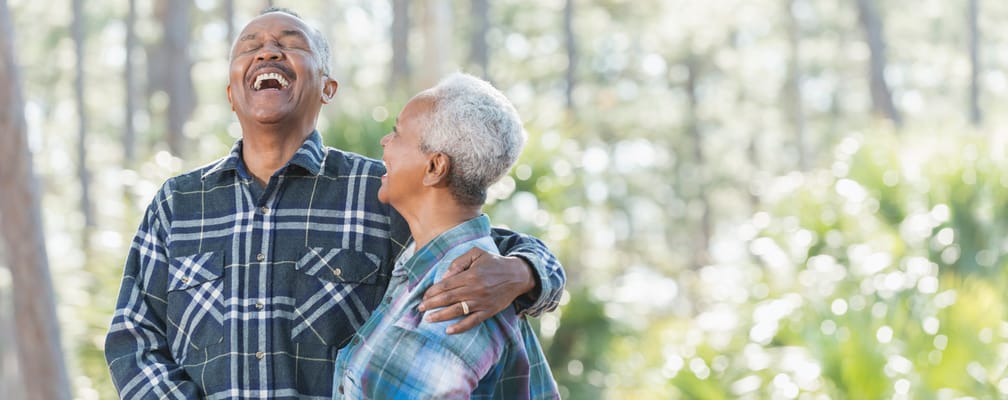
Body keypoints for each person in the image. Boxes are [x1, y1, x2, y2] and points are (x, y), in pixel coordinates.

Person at [104, 8, 564, 399]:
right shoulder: (179, 203)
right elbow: (133, 339)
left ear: (328, 87)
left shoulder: (381, 190)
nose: (267, 51)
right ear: (231, 92)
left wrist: (524, 273)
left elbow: (472, 242)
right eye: (250, 45)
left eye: (290, 42)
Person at [331, 73, 559, 399]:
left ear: (435, 167)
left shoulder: (455, 305)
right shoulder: (429, 267)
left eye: (397, 133)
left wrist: (527, 270)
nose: (384, 141)